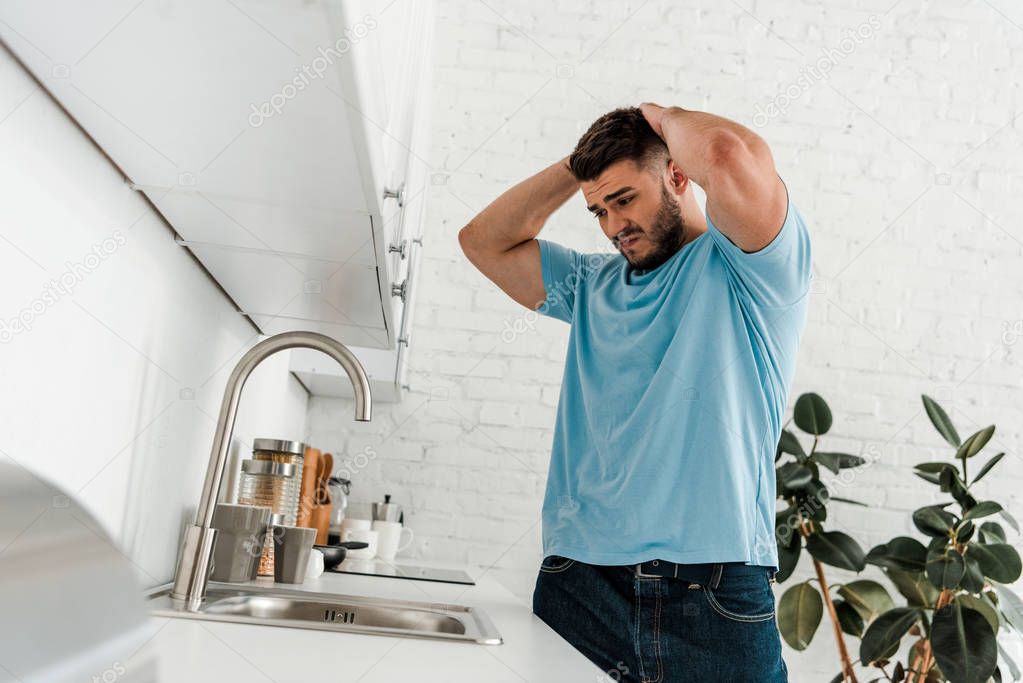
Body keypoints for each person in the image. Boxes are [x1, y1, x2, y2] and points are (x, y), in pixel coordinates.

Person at [458, 103, 811, 682]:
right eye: (597, 210)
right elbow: (483, 243)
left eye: (624, 199)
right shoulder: (590, 284)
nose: (612, 225)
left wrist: (660, 116)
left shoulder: (752, 269)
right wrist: (580, 167)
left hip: (713, 592)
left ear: (677, 175)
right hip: (582, 588)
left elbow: (727, 155)